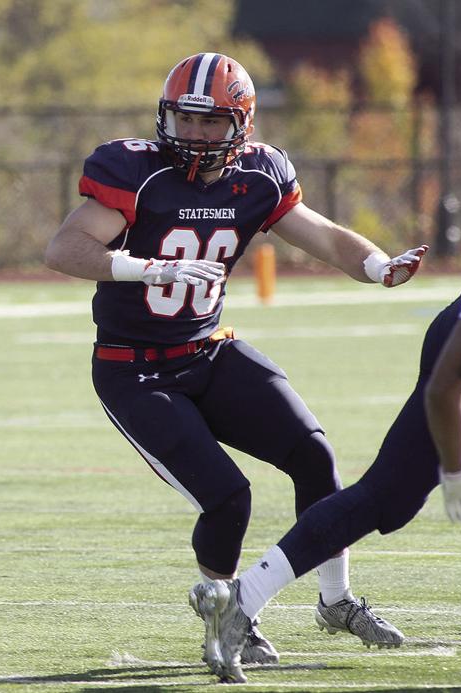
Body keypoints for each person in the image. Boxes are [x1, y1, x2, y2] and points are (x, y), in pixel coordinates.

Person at [43, 52, 427, 666]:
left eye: (211, 122)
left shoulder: (259, 175)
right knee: (228, 497)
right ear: (166, 116)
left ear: (240, 124)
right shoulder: (135, 172)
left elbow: (322, 234)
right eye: (185, 119)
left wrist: (379, 265)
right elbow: (65, 247)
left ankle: (335, 600)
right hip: (134, 365)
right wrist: (147, 267)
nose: (195, 134)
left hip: (207, 348)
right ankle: (229, 619)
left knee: (315, 455)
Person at [191, 241, 461, 683]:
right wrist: (455, 465)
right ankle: (244, 599)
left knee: (390, 498)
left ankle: (256, 598)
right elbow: (447, 382)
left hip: (460, 349)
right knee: (388, 495)